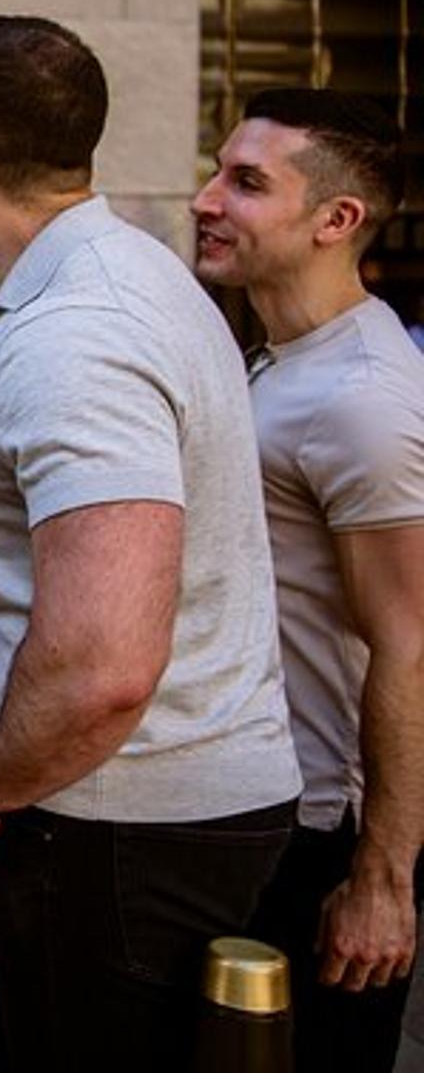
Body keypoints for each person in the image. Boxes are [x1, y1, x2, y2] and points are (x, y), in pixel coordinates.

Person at [0, 16, 303, 1070]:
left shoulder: (77, 333)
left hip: (127, 833)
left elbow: (103, 665)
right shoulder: (120, 277)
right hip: (165, 818)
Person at [191, 88, 423, 1073]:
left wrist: (379, 875)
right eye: (216, 171)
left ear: (337, 221)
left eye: (245, 183)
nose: (205, 198)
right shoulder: (276, 360)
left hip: (317, 835)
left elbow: (409, 639)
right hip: (252, 805)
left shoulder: (361, 397)